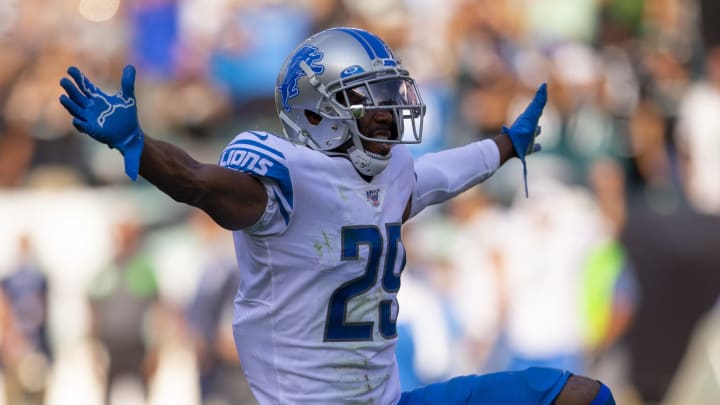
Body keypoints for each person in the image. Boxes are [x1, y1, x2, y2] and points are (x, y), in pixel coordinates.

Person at [59, 26, 614, 405]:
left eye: (390, 93)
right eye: (368, 97)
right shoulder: (281, 179)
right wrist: (138, 144)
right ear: (317, 109)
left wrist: (507, 144)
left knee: (583, 395)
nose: (389, 110)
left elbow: (445, 173)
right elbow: (195, 181)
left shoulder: (393, 173)